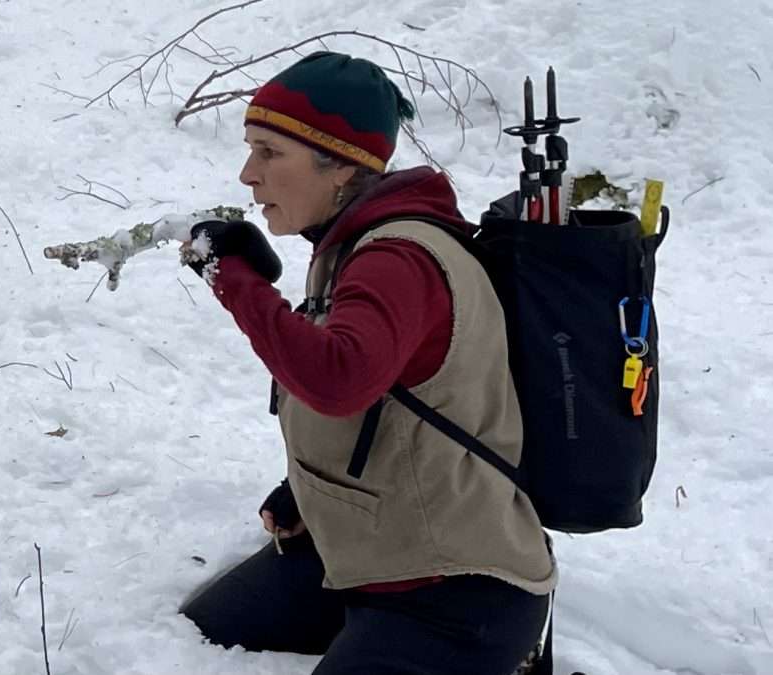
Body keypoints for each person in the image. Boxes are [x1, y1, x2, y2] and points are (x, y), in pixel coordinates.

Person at [179, 51, 557, 675]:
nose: (249, 174)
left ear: (342, 167)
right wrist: (310, 490)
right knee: (193, 636)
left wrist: (238, 283)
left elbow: (339, 380)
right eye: (251, 149)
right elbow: (389, 401)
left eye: (270, 153)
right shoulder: (352, 242)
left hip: (453, 592)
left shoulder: (398, 256)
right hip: (358, 553)